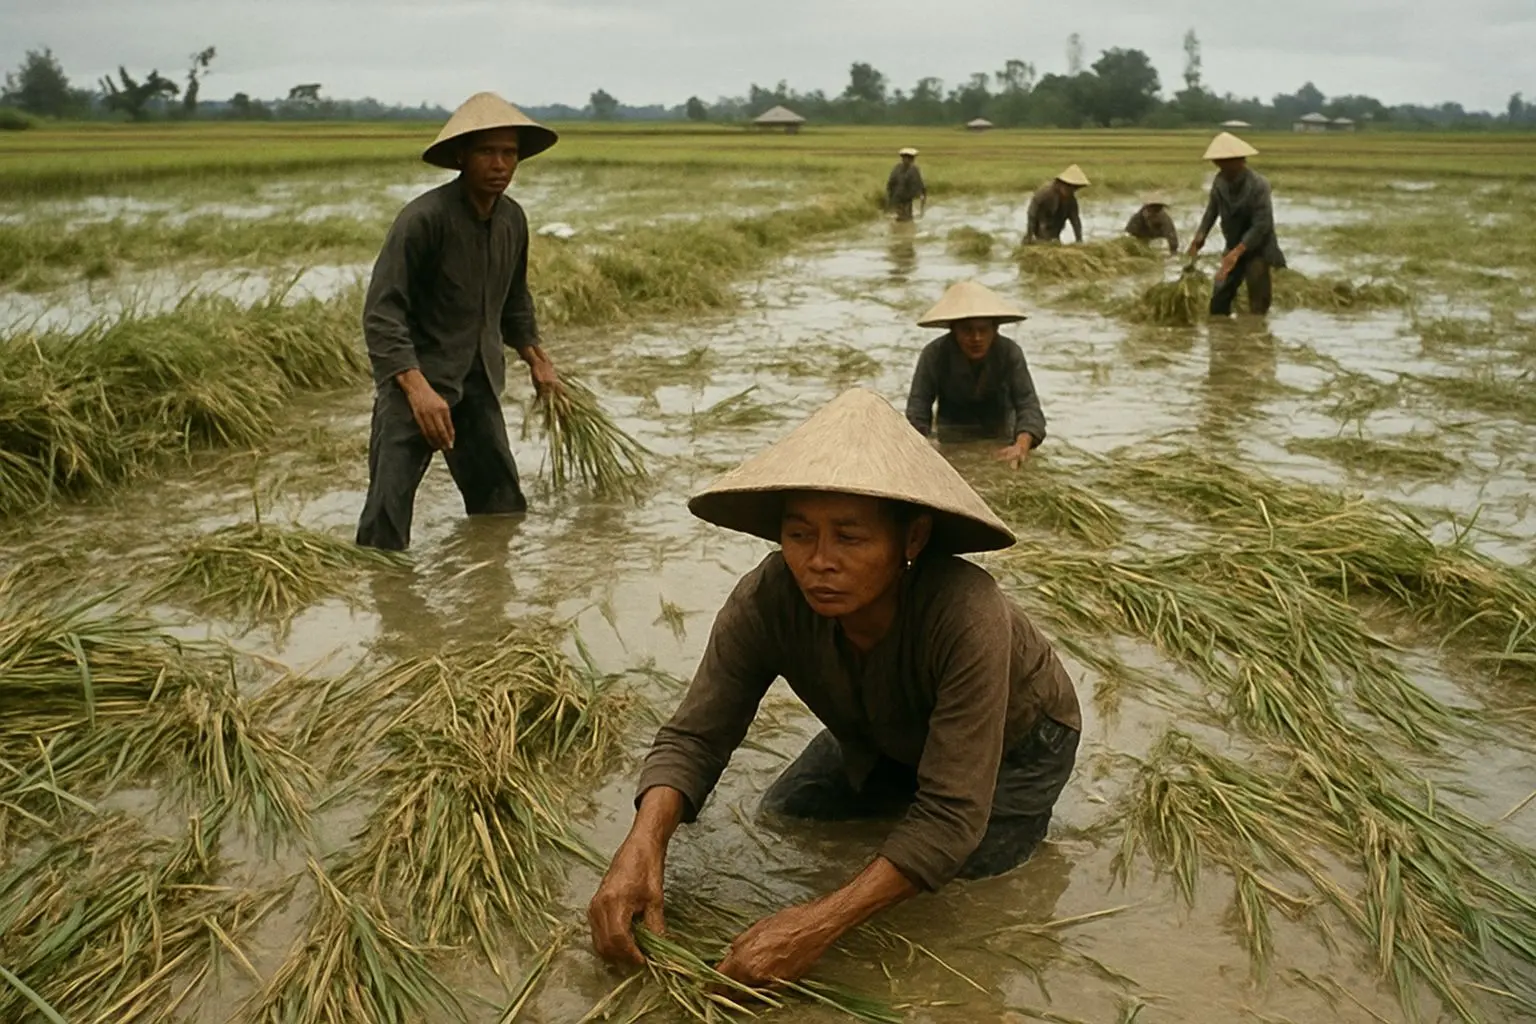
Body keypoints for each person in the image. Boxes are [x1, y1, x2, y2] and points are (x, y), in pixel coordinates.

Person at [587, 388, 1081, 987]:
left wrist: (817, 924)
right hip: (885, 731)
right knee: (786, 814)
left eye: (850, 538)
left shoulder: (966, 612)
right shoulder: (768, 600)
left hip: (1020, 745)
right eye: (799, 536)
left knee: (960, 886)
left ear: (914, 539)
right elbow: (695, 737)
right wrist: (642, 845)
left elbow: (950, 818)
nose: (819, 562)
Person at [355, 92, 563, 551]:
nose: (500, 164)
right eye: (487, 151)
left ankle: (488, 592)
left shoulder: (512, 220)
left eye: (509, 153)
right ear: (460, 157)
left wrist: (537, 359)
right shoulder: (423, 220)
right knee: (385, 525)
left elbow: (514, 300)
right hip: (418, 386)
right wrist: (416, 388)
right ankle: (385, 601)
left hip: (480, 381)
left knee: (502, 506)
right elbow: (382, 312)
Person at [904, 281, 1046, 469]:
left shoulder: (1010, 353)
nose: (976, 338)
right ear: (954, 331)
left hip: (1001, 438)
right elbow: (918, 409)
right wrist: (924, 447)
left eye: (983, 330)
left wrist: (1021, 445)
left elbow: (1028, 405)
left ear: (995, 330)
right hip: (950, 439)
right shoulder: (934, 355)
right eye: (967, 330)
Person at [1187, 132, 1287, 317]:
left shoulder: (1259, 185)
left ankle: (1256, 336)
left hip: (1258, 247)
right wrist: (1200, 237)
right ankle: (1222, 336)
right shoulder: (1220, 182)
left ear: (1240, 161)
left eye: (1225, 161)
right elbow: (1211, 211)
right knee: (1219, 297)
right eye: (1217, 161)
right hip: (1232, 243)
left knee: (1258, 300)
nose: (1220, 165)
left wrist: (1238, 251)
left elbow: (1261, 225)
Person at [1025, 164, 1089, 243]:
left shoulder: (1071, 200)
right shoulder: (1045, 193)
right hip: (1041, 224)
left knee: (1054, 243)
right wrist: (1029, 235)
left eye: (1074, 188)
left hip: (1056, 227)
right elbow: (1032, 213)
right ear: (1061, 184)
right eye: (1069, 187)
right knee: (1042, 242)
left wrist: (1079, 240)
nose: (1071, 190)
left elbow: (1075, 220)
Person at [886, 147, 927, 222]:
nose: (907, 160)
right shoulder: (897, 168)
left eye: (909, 158)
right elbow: (891, 183)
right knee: (899, 217)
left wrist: (921, 194)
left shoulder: (914, 170)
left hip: (907, 199)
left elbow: (919, 184)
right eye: (905, 158)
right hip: (897, 198)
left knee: (906, 218)